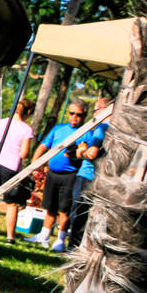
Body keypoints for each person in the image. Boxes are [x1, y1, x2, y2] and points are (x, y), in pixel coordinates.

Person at [30, 100, 91, 252]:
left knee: (64, 209)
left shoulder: (88, 132)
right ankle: (43, 236)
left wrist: (78, 153)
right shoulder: (59, 129)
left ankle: (60, 240)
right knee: (50, 206)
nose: (74, 117)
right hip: (53, 173)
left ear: (84, 115)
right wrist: (34, 165)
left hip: (70, 175)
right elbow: (43, 146)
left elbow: (86, 153)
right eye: (71, 113)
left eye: (78, 114)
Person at [0, 97, 35, 243]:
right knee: (12, 202)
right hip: (12, 166)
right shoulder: (26, 129)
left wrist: (1, 148)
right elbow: (24, 153)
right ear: (28, 112)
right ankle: (10, 236)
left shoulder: (2, 122)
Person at [66, 93, 111, 250]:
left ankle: (74, 249)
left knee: (79, 216)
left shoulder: (103, 127)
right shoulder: (120, 130)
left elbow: (91, 153)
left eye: (96, 110)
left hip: (88, 176)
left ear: (106, 110)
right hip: (106, 180)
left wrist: (81, 153)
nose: (94, 113)